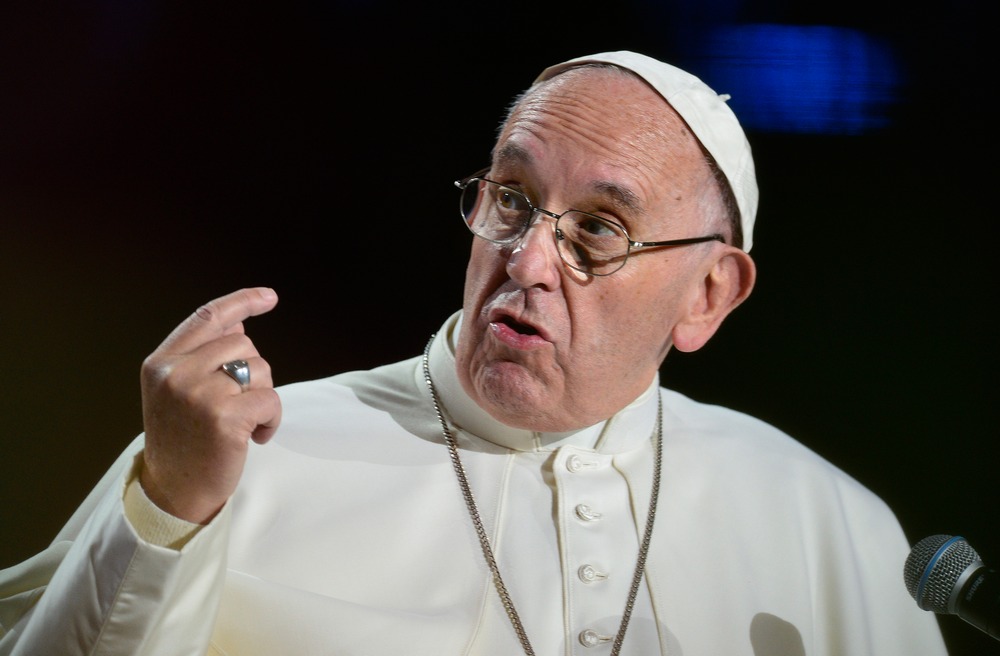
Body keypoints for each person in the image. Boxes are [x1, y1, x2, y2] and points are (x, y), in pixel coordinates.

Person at [0, 50, 947, 655]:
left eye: (598, 230)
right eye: (512, 200)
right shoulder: (239, 460)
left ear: (708, 295)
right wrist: (170, 508)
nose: (525, 260)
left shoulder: (828, 526)